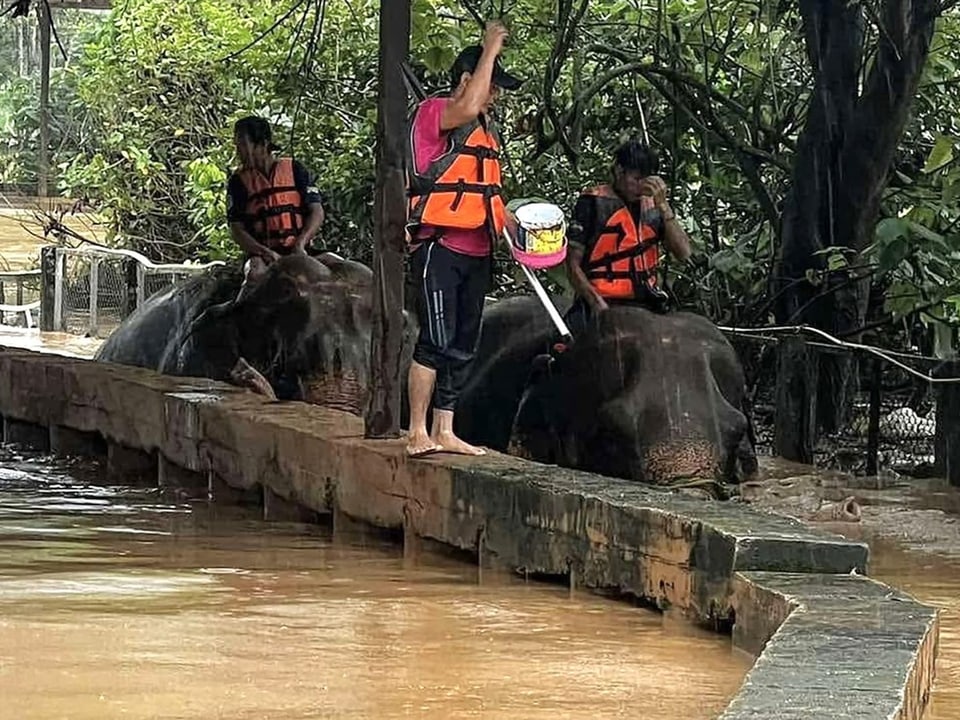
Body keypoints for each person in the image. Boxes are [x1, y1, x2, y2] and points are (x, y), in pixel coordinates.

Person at [404, 20, 522, 458]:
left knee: (462, 344)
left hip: (477, 249)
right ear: (468, 80)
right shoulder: (437, 111)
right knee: (434, 340)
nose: (494, 96)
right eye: (491, 85)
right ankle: (416, 429)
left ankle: (445, 427)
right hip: (439, 247)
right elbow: (469, 106)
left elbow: (489, 197)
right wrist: (490, 46)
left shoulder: (484, 134)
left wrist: (520, 229)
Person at [564, 140, 692, 333]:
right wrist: (596, 304)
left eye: (646, 180)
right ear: (618, 171)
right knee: (561, 347)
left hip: (647, 302)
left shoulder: (655, 206)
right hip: (601, 300)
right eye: (636, 179)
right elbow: (572, 265)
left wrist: (664, 206)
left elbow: (683, 253)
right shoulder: (591, 203)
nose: (641, 186)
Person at [226, 116, 325, 298]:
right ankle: (238, 321)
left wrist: (300, 244)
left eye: (242, 144)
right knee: (253, 273)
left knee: (345, 270)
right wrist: (263, 252)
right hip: (262, 257)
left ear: (262, 144)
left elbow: (316, 211)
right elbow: (236, 229)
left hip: (302, 251)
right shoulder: (238, 182)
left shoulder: (295, 169)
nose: (238, 150)